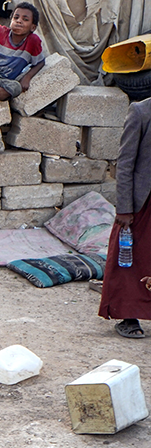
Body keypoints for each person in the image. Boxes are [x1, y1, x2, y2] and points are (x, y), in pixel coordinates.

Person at [98, 97, 151, 338]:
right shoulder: (141, 112)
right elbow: (125, 162)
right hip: (142, 202)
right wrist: (124, 209)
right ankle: (129, 317)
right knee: (130, 259)